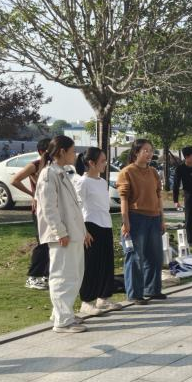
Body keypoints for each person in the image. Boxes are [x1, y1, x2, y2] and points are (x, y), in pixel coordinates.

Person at [35, 135, 90, 333]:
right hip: (62, 235)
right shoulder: (48, 174)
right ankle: (63, 320)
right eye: (72, 151)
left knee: (74, 275)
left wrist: (83, 231)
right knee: (62, 276)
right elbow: (49, 208)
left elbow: (73, 207)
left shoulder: (62, 172)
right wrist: (60, 232)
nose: (75, 155)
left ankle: (63, 312)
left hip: (73, 232)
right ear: (62, 152)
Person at [116, 139, 166, 304]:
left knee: (155, 256)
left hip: (154, 218)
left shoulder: (153, 172)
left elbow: (159, 196)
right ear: (136, 152)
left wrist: (162, 219)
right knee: (135, 257)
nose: (149, 154)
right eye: (145, 150)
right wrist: (125, 221)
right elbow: (124, 198)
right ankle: (135, 294)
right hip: (135, 217)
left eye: (151, 150)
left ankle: (152, 289)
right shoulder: (127, 172)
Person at [72, 147, 119, 316]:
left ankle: (103, 298)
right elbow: (77, 208)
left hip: (105, 225)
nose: (106, 164)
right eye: (103, 161)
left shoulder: (102, 182)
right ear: (91, 163)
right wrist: (84, 231)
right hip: (90, 226)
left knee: (106, 263)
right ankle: (87, 301)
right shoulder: (82, 182)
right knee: (91, 265)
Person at [11, 138, 51, 290]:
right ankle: (33, 277)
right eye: (51, 150)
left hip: (51, 209)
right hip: (40, 210)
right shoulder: (35, 165)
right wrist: (32, 194)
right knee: (43, 243)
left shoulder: (53, 166)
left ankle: (46, 275)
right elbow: (15, 180)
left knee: (51, 243)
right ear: (42, 151)